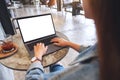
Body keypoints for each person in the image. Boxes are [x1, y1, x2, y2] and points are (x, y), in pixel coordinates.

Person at [26, 0, 120, 80]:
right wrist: (68, 43)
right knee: (55, 64)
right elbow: (94, 50)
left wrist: (37, 58)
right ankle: (55, 64)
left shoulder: (93, 70)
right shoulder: (113, 41)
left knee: (55, 66)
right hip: (65, 71)